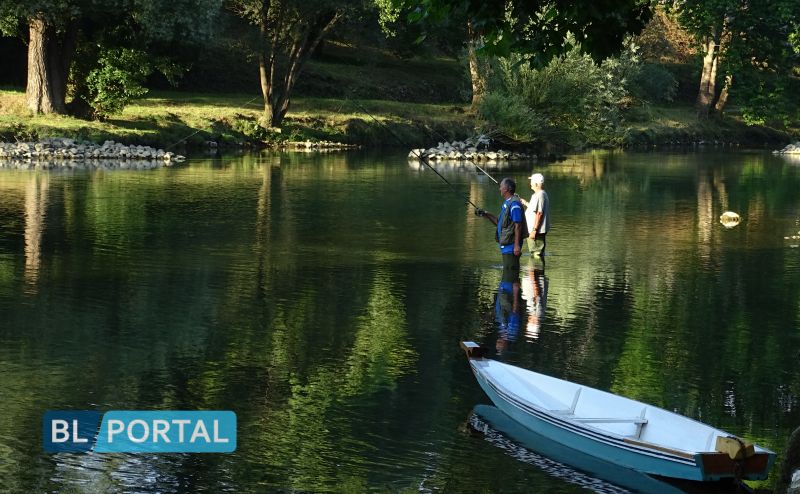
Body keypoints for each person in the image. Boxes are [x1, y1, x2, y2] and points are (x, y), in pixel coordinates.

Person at [475, 177, 527, 274]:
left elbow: (518, 225)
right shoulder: (507, 203)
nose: (499, 189)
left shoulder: (514, 204)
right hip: (506, 246)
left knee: (510, 274)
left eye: (501, 186)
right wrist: (486, 214)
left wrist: (516, 246)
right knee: (508, 273)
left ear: (506, 189)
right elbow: (499, 223)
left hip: (511, 247)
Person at [521, 173, 550, 257]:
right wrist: (525, 202)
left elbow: (539, 213)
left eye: (531, 182)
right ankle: (536, 267)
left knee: (536, 254)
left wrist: (534, 230)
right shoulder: (540, 194)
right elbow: (536, 209)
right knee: (536, 254)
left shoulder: (540, 195)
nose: (530, 184)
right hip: (535, 231)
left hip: (536, 231)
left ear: (536, 184)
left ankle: (534, 268)